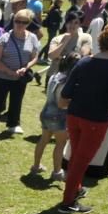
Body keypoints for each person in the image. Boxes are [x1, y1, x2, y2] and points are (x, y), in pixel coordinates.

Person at [57, 24, 108, 214]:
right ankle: (67, 202)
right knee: (81, 161)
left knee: (76, 156)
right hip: (95, 122)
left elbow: (66, 91)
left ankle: (76, 188)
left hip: (74, 116)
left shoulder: (83, 62)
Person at [0, 9, 41, 135]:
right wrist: (9, 72)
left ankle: (13, 124)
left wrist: (25, 68)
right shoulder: (3, 38)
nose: (20, 24)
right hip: (1, 76)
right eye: (17, 21)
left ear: (29, 23)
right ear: (13, 21)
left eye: (24, 22)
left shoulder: (32, 38)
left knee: (17, 101)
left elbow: (35, 57)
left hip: (20, 77)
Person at [31, 52, 80, 180]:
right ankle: (57, 172)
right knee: (60, 144)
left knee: (43, 140)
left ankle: (36, 166)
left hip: (46, 112)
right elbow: (62, 103)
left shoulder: (54, 76)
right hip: (59, 116)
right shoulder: (67, 81)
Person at [44, 13, 92, 87]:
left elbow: (83, 56)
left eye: (76, 23)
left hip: (74, 76)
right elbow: (51, 56)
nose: (72, 25)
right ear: (66, 23)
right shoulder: (57, 39)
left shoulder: (85, 37)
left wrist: (62, 57)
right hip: (54, 75)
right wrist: (64, 41)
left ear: (80, 25)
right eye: (70, 22)